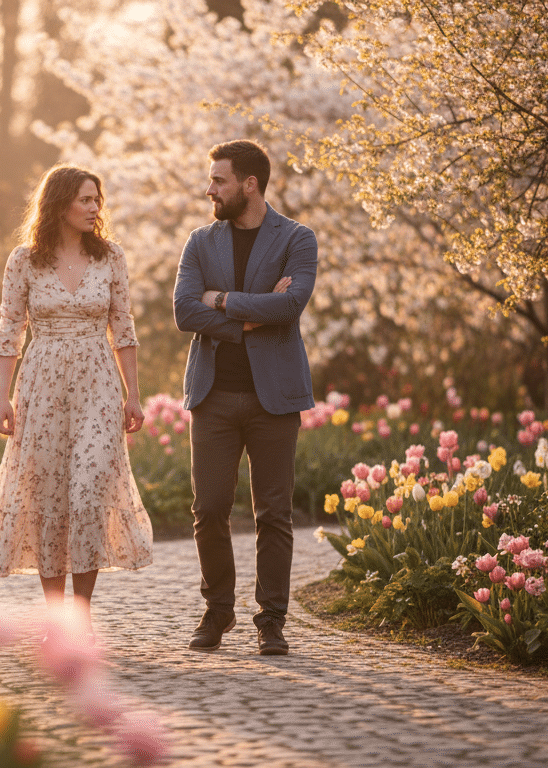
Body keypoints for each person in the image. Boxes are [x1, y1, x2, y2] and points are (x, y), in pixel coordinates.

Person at [0, 164, 154, 639]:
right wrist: (2, 397)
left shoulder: (111, 258)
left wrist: (133, 395)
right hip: (41, 385)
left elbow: (123, 327)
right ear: (60, 203)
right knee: (48, 498)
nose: (94, 208)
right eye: (85, 200)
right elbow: (9, 329)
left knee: (88, 493)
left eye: (97, 201)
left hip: (98, 386)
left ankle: (80, 615)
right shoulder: (24, 261)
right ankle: (55, 619)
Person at [172, 139, 317, 655]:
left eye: (219, 180)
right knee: (208, 509)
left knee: (273, 514)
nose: (209, 188)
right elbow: (185, 312)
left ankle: (271, 620)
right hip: (212, 396)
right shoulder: (199, 241)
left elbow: (293, 303)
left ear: (249, 184)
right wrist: (248, 318)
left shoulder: (297, 238)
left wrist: (223, 301)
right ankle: (218, 612)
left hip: (274, 397)